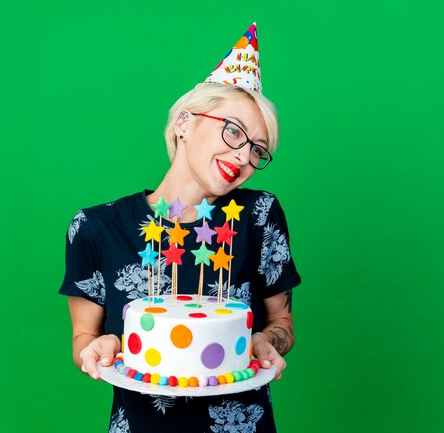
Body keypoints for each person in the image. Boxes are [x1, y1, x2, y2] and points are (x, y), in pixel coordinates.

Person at [60, 23, 301, 432]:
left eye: (257, 150)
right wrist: (96, 348)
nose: (243, 156)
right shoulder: (96, 227)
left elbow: (283, 324)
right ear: (186, 122)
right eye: (234, 131)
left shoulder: (259, 216)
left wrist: (266, 341)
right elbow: (84, 338)